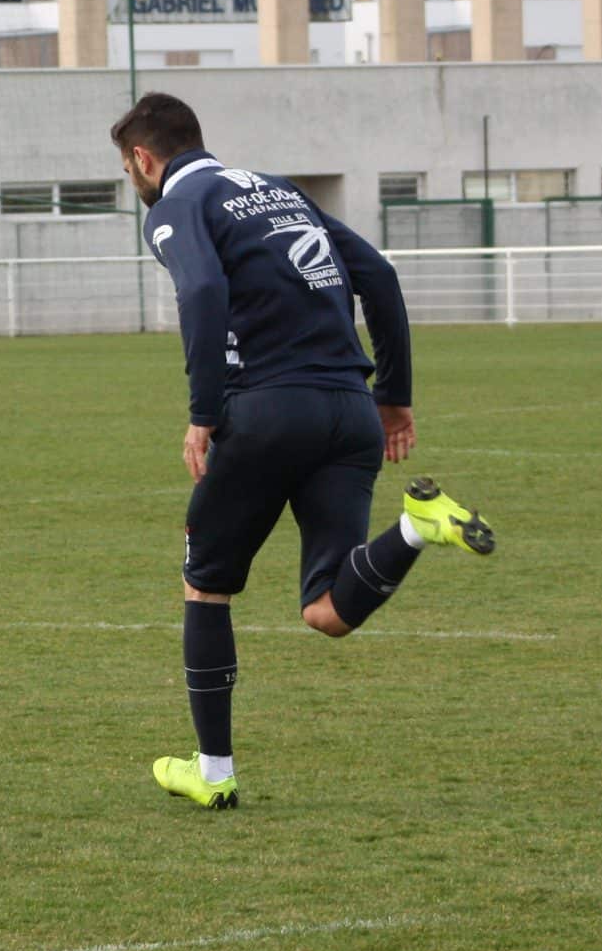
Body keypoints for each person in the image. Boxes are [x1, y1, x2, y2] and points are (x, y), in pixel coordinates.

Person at [113, 91, 496, 811]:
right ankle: (419, 525)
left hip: (264, 408)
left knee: (207, 582)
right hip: (349, 412)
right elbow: (377, 273)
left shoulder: (175, 205)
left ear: (143, 157)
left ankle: (215, 770)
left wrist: (202, 414)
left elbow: (199, 289)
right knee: (327, 607)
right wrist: (395, 394)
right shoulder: (278, 190)